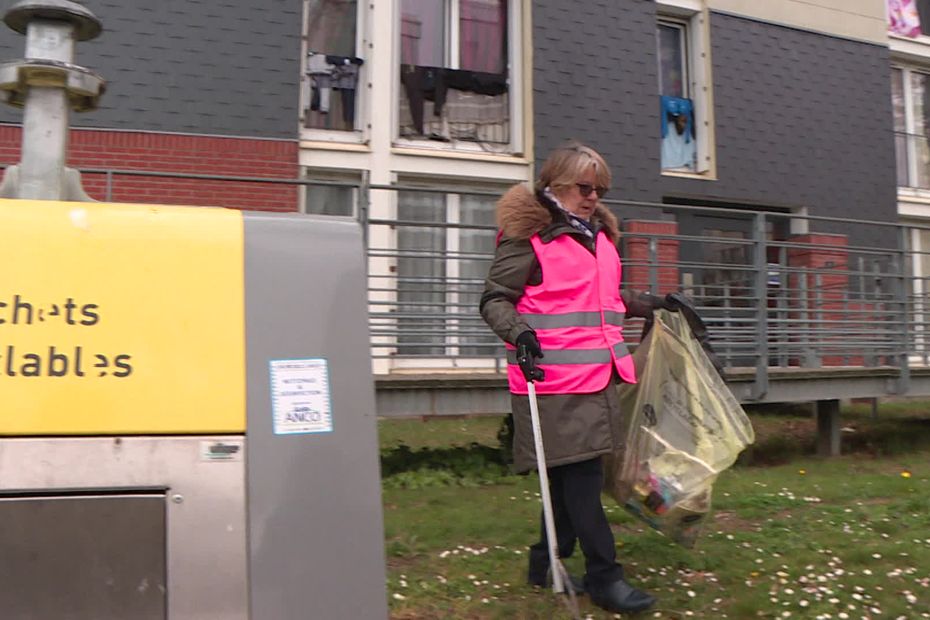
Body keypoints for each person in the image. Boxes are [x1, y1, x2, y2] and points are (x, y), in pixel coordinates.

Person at [479, 142, 674, 614]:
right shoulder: (531, 235)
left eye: (600, 188)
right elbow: (494, 299)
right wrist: (519, 333)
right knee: (583, 479)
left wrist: (655, 304)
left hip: (598, 377)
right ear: (555, 184)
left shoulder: (597, 235)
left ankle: (543, 562)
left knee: (572, 481)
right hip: (554, 382)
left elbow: (603, 299)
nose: (593, 196)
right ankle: (604, 577)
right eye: (585, 187)